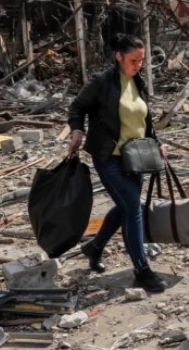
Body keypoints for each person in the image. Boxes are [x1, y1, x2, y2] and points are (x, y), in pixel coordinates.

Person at [67, 33, 168, 293]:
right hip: (108, 157)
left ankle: (94, 247)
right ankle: (142, 270)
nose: (139, 65)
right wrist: (76, 131)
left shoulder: (138, 82)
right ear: (119, 57)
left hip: (137, 158)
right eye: (134, 60)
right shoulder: (102, 82)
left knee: (125, 207)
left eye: (141, 60)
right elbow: (77, 107)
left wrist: (157, 142)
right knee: (133, 208)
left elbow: (144, 119)